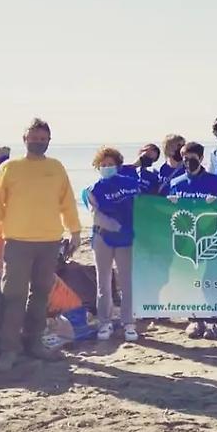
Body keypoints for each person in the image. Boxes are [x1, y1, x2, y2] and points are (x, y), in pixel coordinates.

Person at [0, 118, 82, 372]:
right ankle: (8, 350)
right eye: (33, 138)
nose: (38, 142)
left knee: (40, 296)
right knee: (13, 296)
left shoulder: (56, 168)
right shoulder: (10, 168)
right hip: (17, 243)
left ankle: (34, 343)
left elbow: (68, 202)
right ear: (24, 140)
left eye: (42, 139)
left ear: (49, 141)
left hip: (49, 243)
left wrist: (75, 231)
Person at [166, 141, 217, 339]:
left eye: (192, 159)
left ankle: (213, 320)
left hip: (212, 238)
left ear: (201, 158)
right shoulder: (175, 184)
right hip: (186, 241)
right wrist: (170, 205)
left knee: (210, 280)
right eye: (184, 159)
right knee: (189, 280)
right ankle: (195, 319)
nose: (188, 163)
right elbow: (169, 214)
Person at [87, 146, 141, 342]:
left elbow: (143, 205)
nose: (106, 167)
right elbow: (95, 215)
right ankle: (105, 322)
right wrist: (115, 226)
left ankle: (128, 322)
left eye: (110, 164)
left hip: (127, 239)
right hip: (103, 239)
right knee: (104, 282)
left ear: (118, 165)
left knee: (127, 281)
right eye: (103, 165)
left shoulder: (132, 184)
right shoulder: (93, 189)